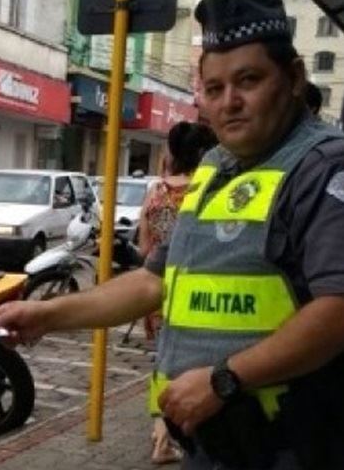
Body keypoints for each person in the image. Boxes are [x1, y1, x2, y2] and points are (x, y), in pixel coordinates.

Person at [0, 0, 344, 469]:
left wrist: (224, 380)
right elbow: (154, 280)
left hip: (293, 445)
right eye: (214, 89)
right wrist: (47, 314)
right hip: (217, 442)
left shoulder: (322, 168)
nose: (229, 103)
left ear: (295, 78)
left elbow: (338, 310)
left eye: (249, 80)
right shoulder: (218, 166)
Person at [136, 121, 217, 464]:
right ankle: (173, 434)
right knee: (189, 366)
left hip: (155, 292)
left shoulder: (155, 191)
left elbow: (143, 247)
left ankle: (160, 433)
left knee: (162, 362)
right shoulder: (208, 188)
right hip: (194, 292)